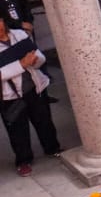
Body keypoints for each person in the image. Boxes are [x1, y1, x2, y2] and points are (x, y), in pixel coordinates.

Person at [0, 19, 60, 175]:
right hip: (10, 95)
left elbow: (40, 57)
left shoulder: (19, 34)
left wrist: (34, 60)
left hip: (35, 86)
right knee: (17, 130)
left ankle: (52, 148)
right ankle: (23, 160)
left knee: (44, 120)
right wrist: (21, 64)